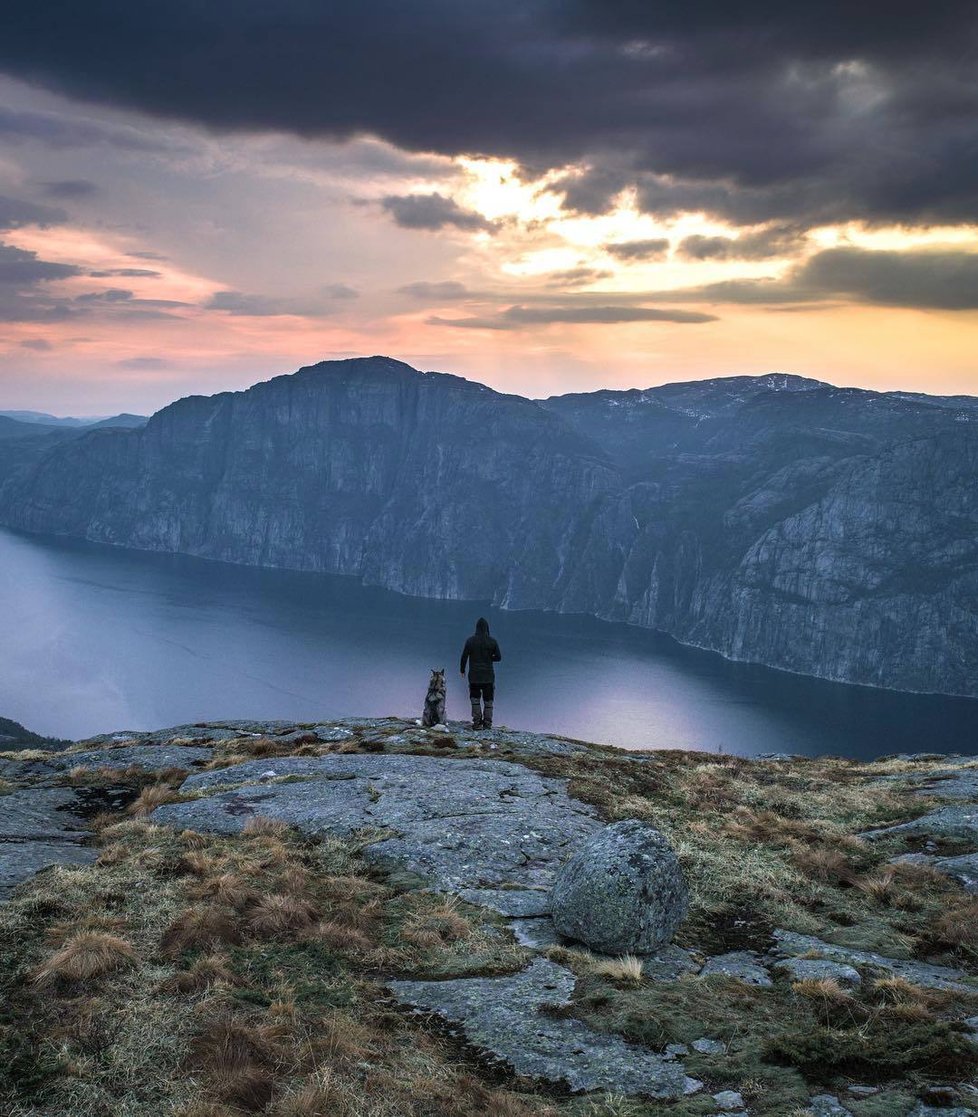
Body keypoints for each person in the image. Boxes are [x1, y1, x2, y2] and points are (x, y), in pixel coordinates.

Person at [460, 616, 501, 729]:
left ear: (477, 628)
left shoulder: (470, 641)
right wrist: (489, 658)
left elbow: (464, 657)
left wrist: (462, 670)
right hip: (488, 676)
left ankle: (477, 723)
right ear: (487, 628)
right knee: (488, 701)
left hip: (474, 676)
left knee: (475, 700)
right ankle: (487, 724)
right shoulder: (492, 641)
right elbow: (498, 657)